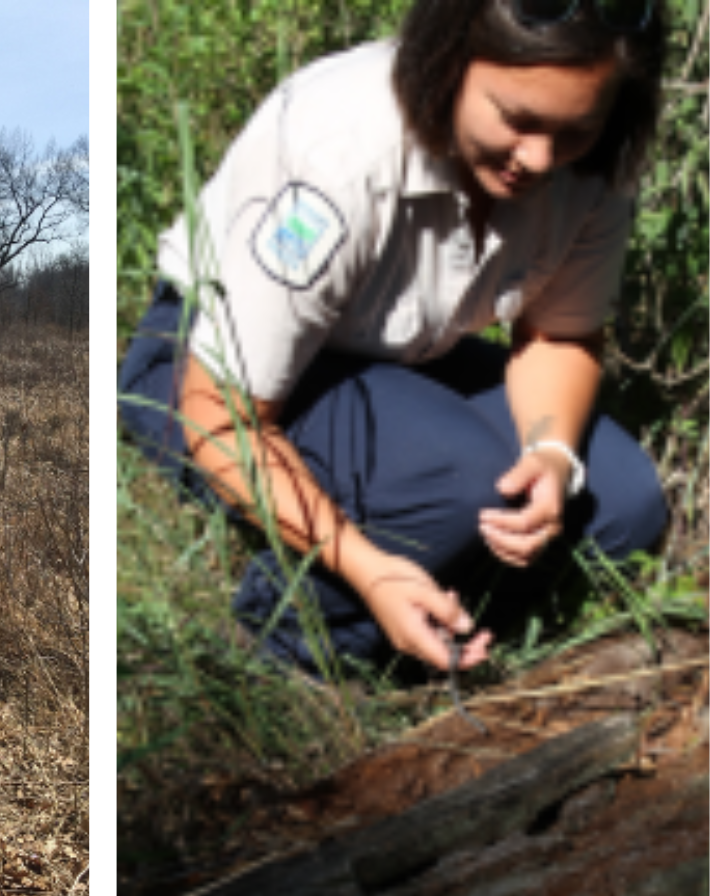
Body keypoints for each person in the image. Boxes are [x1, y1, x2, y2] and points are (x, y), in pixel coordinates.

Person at [118, 0, 670, 677]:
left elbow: (560, 333)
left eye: (573, 131)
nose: (540, 158)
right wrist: (366, 567)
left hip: (393, 356)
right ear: (448, 59)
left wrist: (551, 456)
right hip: (199, 370)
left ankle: (450, 626)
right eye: (518, 119)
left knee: (619, 501)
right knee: (460, 481)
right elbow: (218, 413)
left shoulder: (595, 161)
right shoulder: (338, 146)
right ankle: (292, 647)